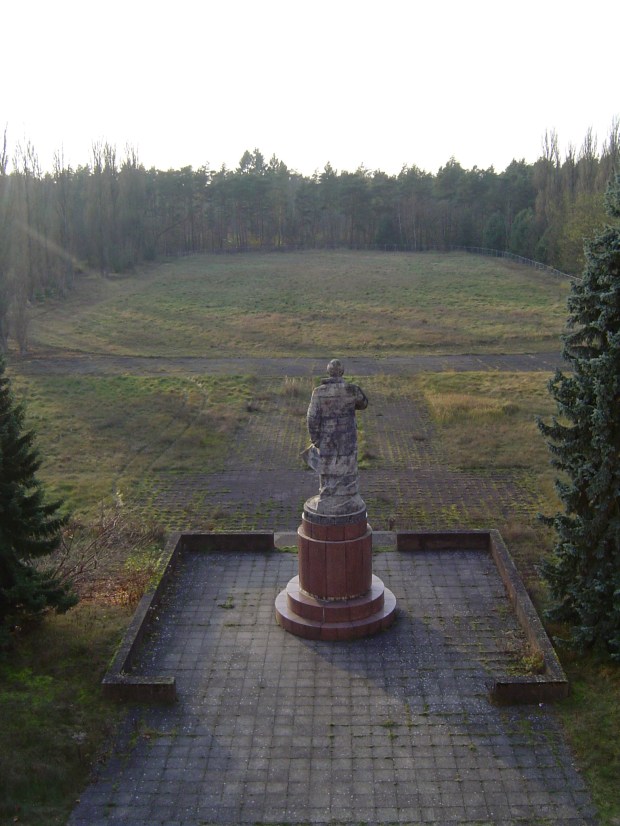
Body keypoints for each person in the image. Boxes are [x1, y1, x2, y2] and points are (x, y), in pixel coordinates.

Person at [304, 359, 368, 514]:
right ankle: (349, 498)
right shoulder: (352, 390)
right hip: (348, 440)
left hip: (327, 440)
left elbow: (312, 418)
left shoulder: (319, 392)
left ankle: (327, 499)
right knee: (348, 469)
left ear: (329, 372)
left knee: (327, 471)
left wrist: (315, 439)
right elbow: (364, 403)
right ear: (342, 372)